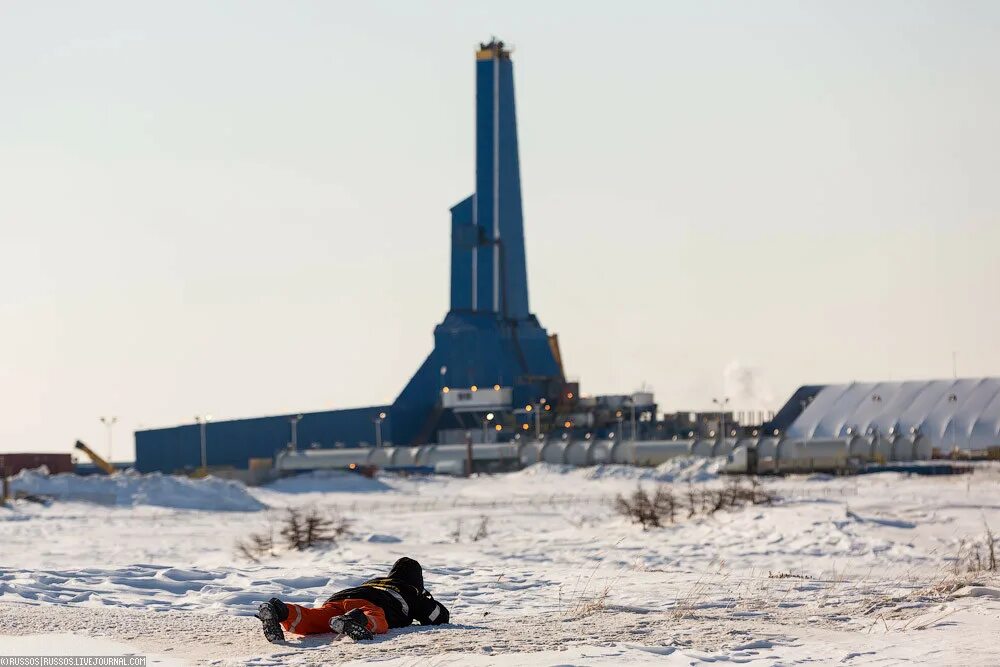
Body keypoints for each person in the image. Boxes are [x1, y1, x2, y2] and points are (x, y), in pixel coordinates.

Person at [255, 557, 450, 642]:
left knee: (312, 619)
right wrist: (423, 596)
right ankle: (355, 620)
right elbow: (439, 617)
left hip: (341, 597)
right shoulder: (410, 591)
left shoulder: (377, 580)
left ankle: (280, 611)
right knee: (376, 617)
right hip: (371, 602)